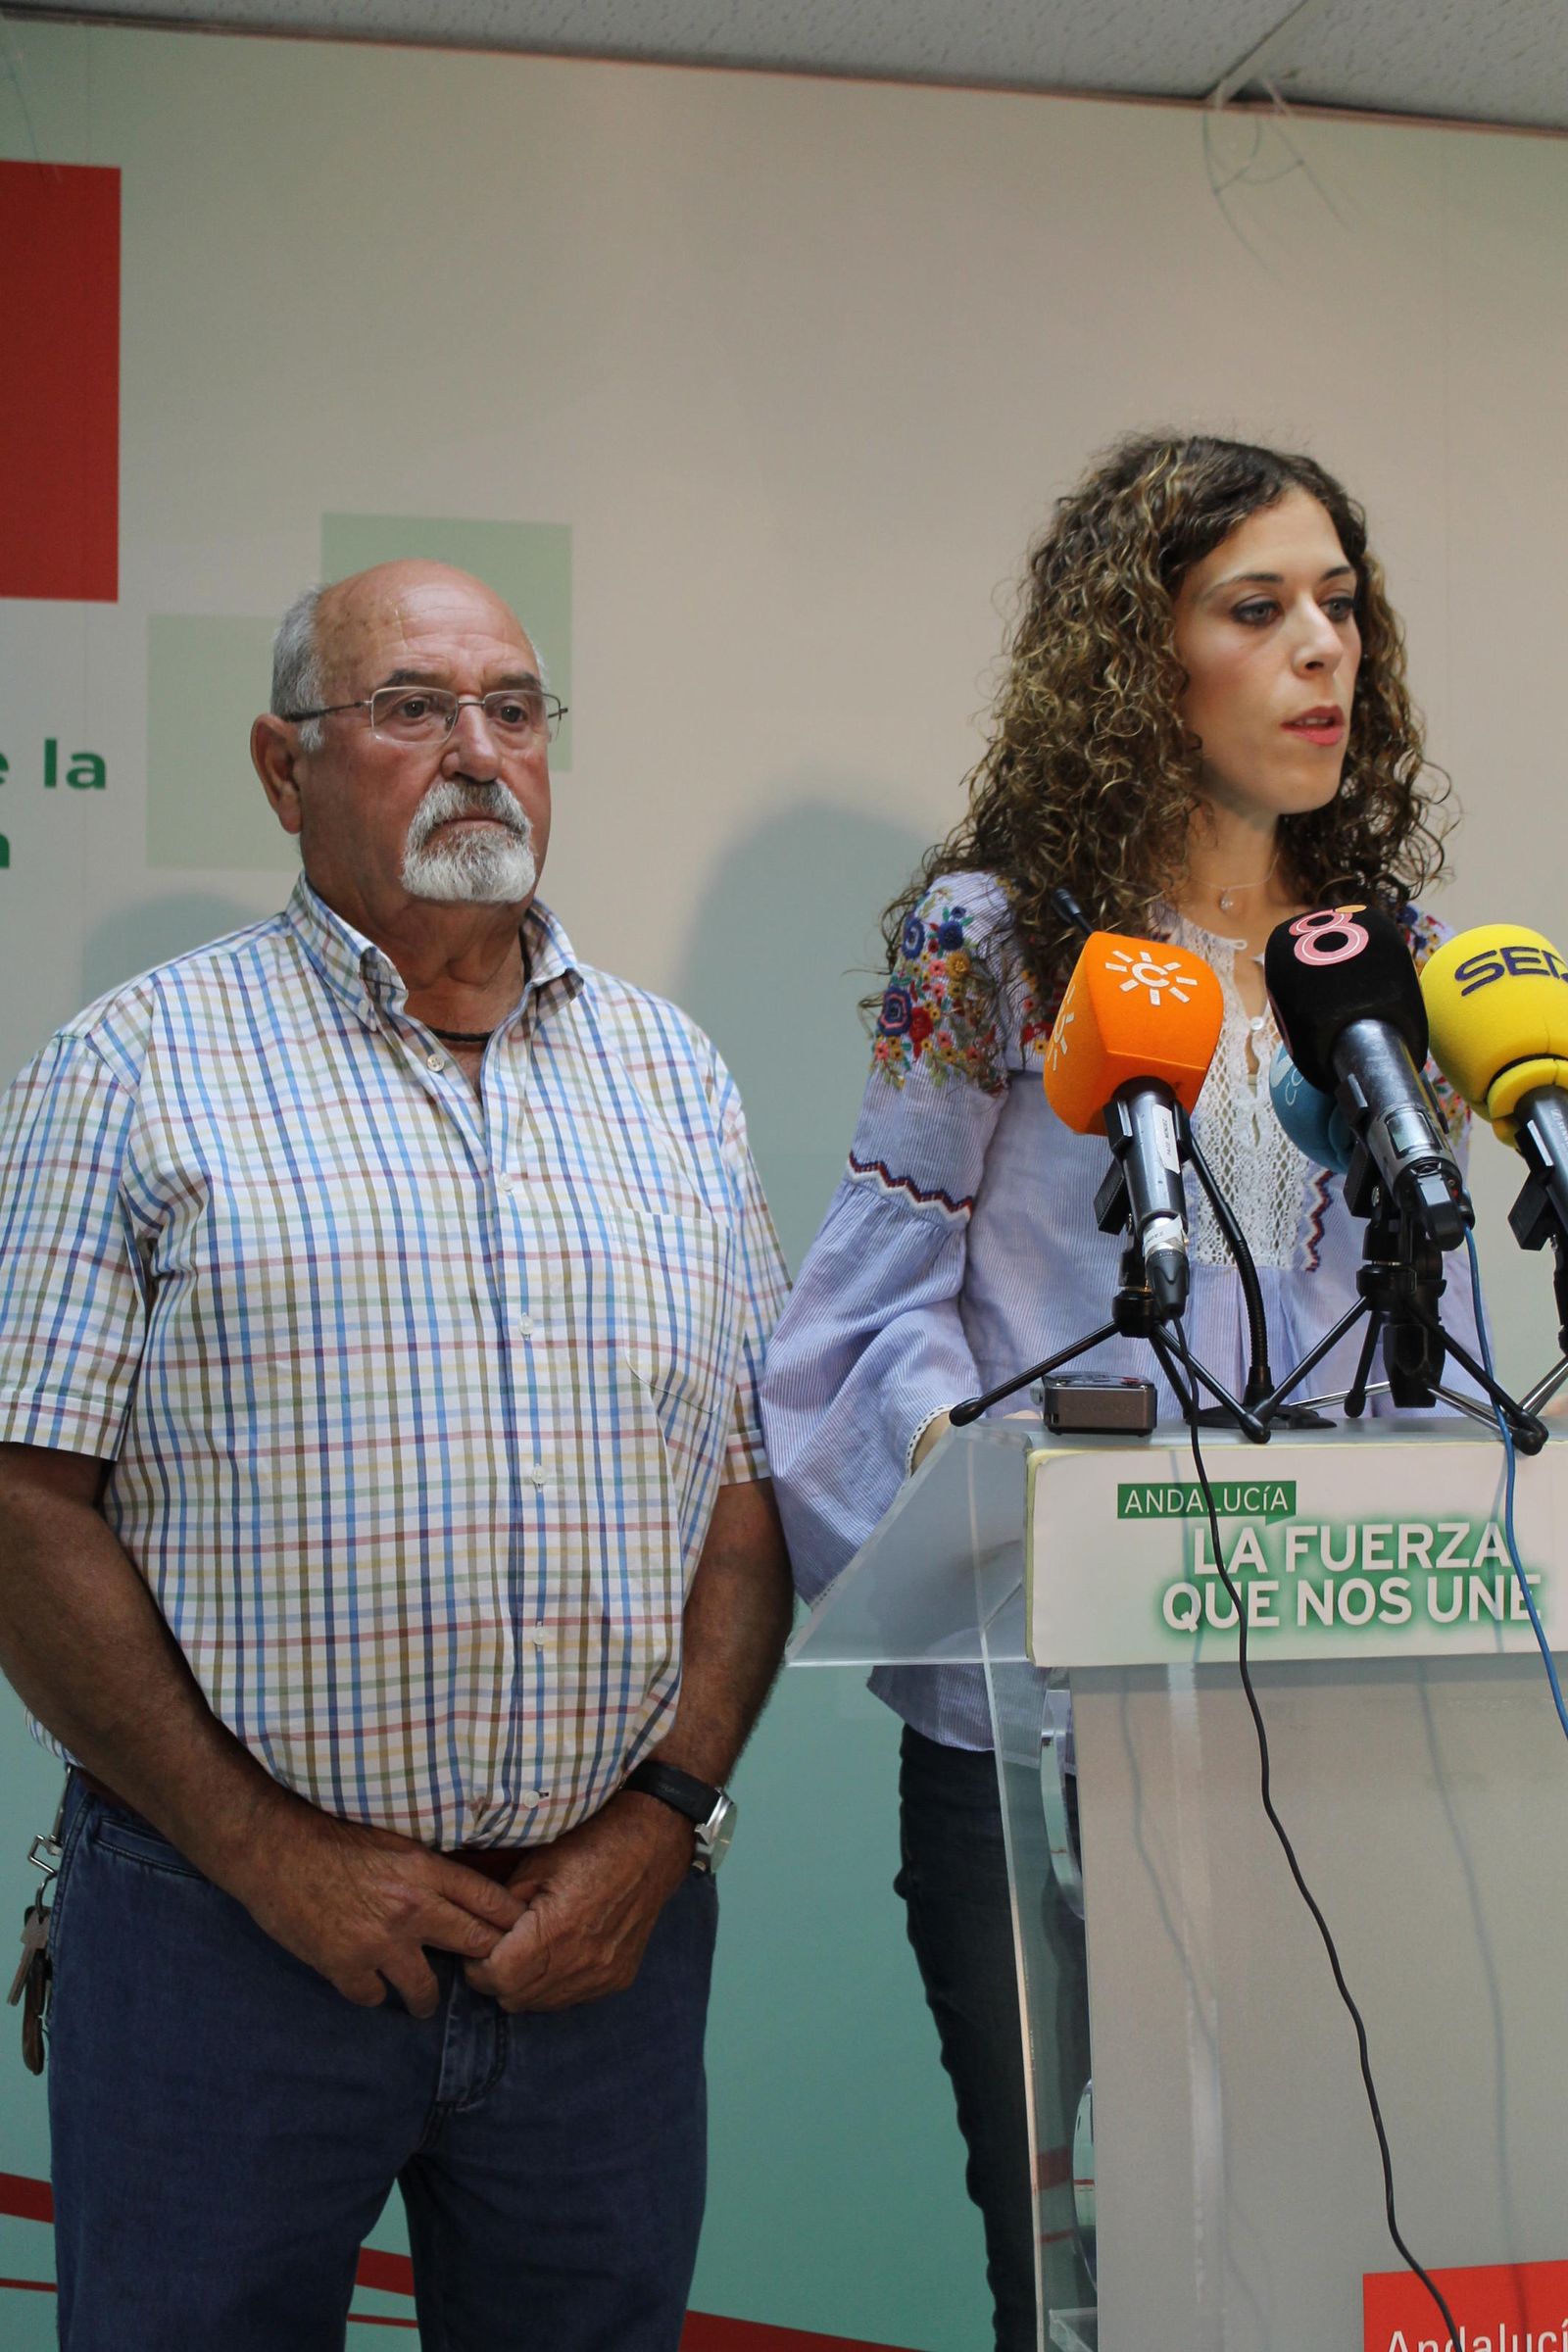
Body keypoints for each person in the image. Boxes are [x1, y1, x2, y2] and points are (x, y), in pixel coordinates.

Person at [0, 559, 794, 2352]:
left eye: (513, 710)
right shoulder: (133, 1067)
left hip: (596, 1951)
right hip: (226, 1943)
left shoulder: (670, 1077)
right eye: (415, 709)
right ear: (282, 768)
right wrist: (265, 1851)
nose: (479, 754)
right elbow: (22, 1506)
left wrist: (660, 1825)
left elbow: (746, 1499)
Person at [759, 433, 1476, 2349]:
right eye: (1257, 608)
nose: (1321, 649)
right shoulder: (985, 943)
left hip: (1324, 1734)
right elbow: (867, 1312)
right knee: (1082, 2283)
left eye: (1340, 605)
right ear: (1134, 656)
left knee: (1321, 2257)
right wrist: (1011, 1497)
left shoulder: (1378, 963)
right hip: (1044, 1733)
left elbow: (1436, 1348)